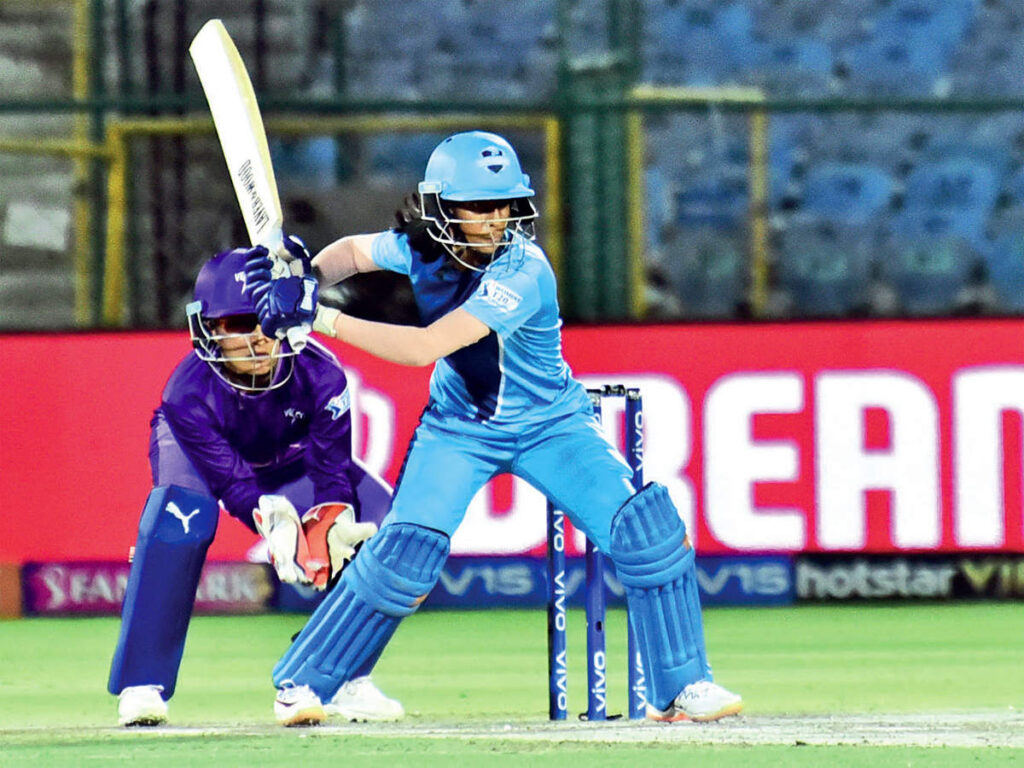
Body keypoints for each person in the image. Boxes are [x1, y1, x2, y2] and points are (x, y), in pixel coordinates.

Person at [245, 130, 743, 725]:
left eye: (505, 205)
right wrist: (306, 271)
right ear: (442, 208)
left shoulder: (524, 270)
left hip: (551, 425)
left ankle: (681, 687)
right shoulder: (419, 246)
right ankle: (304, 683)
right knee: (403, 557)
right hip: (458, 428)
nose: (496, 220)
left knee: (649, 535)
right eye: (481, 207)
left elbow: (429, 345)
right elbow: (353, 252)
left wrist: (318, 315)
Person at [108, 247, 402, 727]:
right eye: (237, 324)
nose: (255, 341)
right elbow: (232, 483)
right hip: (200, 454)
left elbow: (331, 473)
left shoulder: (322, 373)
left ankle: (342, 676)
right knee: (177, 522)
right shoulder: (186, 392)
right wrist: (269, 521)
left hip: (290, 459)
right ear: (208, 329)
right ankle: (144, 684)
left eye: (264, 321)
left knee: (386, 527)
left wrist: (330, 518)